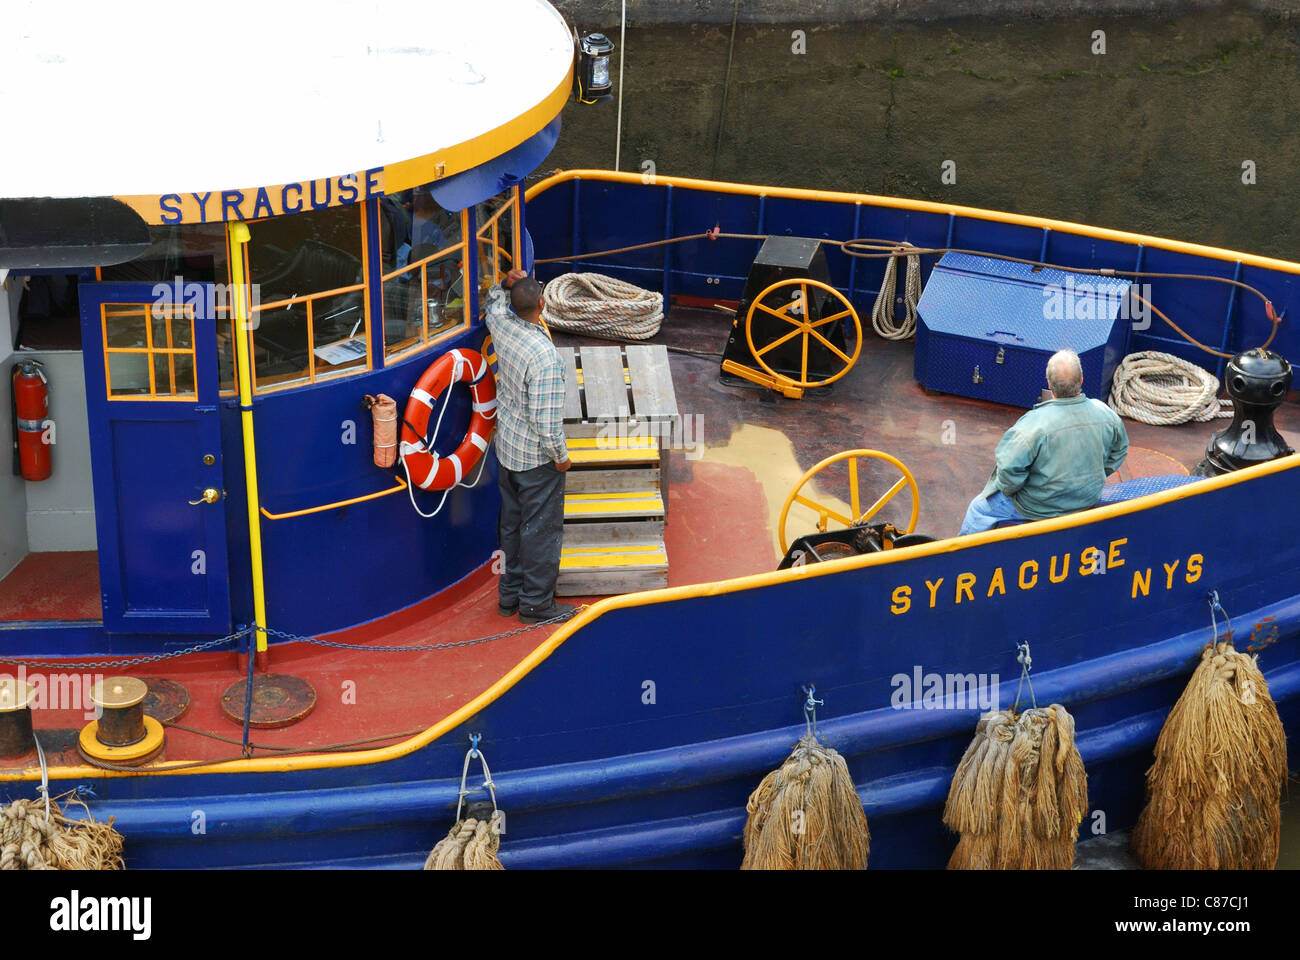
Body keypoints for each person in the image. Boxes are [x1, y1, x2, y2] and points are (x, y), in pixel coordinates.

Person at [484, 267, 574, 622]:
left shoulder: (502, 326)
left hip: (506, 452)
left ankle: (508, 598)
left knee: (511, 525)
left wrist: (504, 286)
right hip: (537, 462)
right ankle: (536, 605)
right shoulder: (545, 357)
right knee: (540, 533)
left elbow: (493, 303)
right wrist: (562, 459)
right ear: (541, 304)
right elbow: (546, 424)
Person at [959, 349, 1129, 535]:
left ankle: (959, 559)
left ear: (1049, 384)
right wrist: (1100, 472)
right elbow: (1120, 449)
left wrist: (1015, 492)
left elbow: (1008, 472)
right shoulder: (1106, 414)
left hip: (1038, 507)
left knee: (979, 509)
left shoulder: (1032, 425)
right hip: (1087, 498)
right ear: (1081, 380)